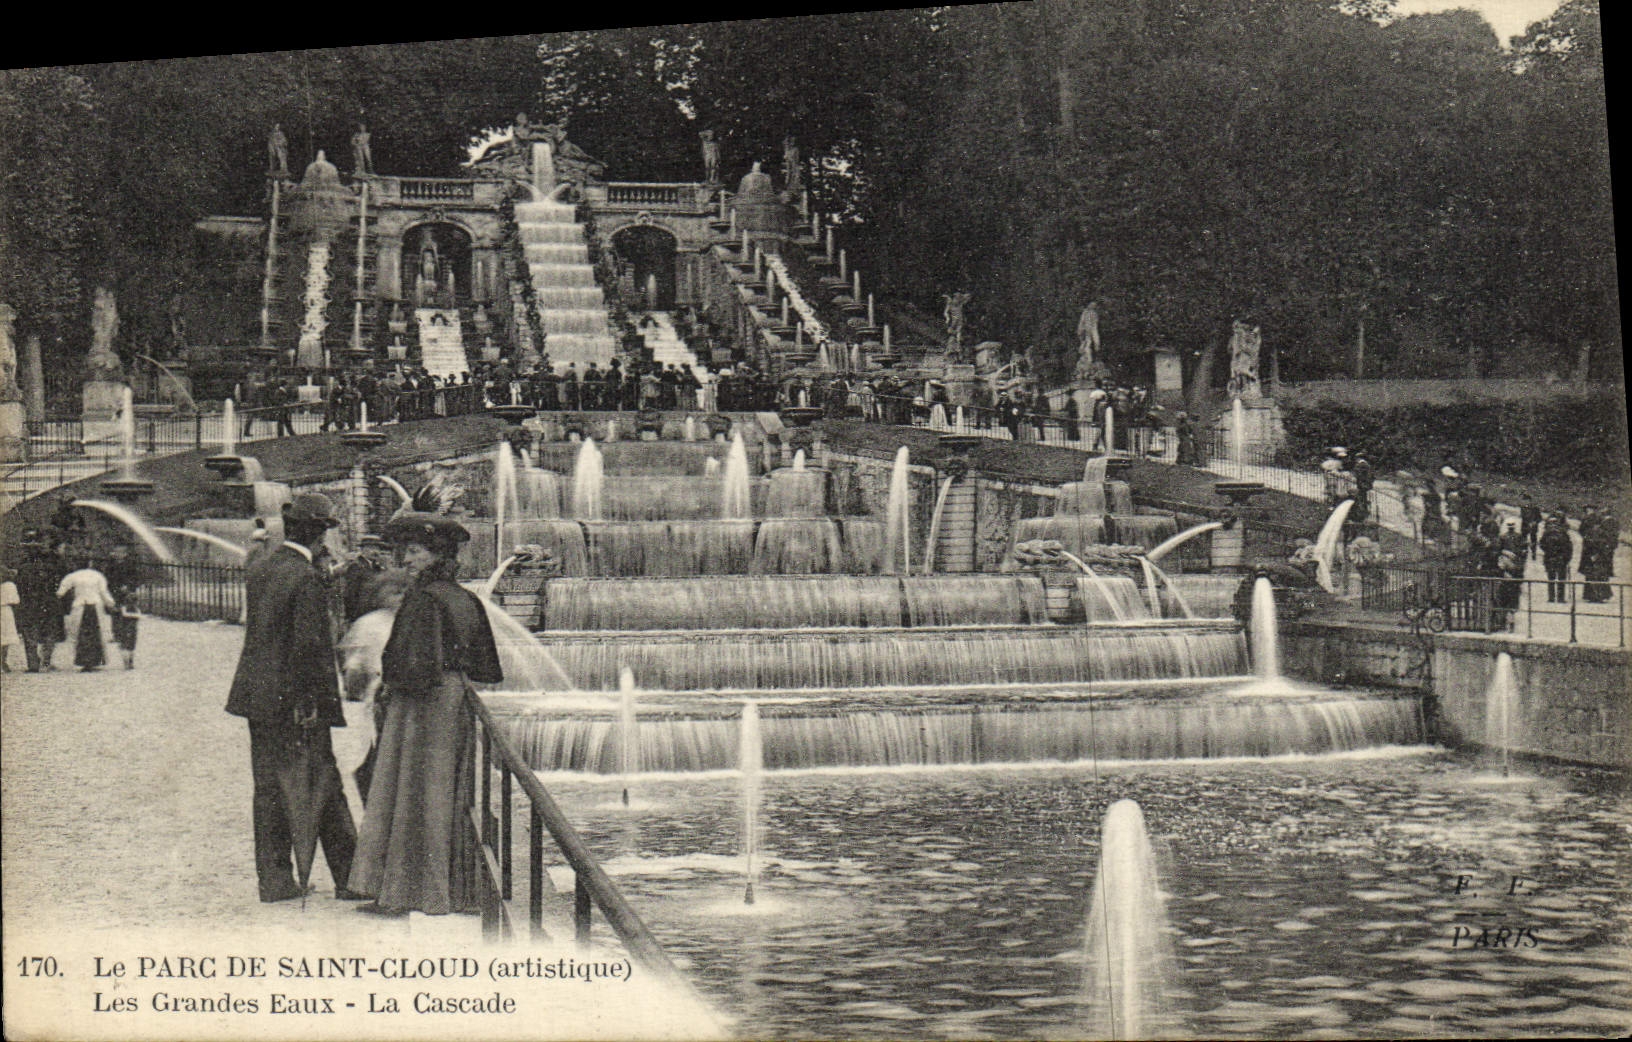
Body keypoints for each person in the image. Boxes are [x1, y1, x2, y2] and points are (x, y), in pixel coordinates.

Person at [348, 514, 503, 916]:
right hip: (453, 699)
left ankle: (403, 892)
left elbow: (407, 664)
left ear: (436, 555)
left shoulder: (424, 598)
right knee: (444, 793)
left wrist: (387, 688)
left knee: (411, 792)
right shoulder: (464, 598)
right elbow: (486, 665)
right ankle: (452, 889)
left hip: (420, 706)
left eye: (414, 552)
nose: (408, 561)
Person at [225, 493, 358, 904]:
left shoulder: (264, 567)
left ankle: (276, 881)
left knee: (268, 788)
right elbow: (309, 647)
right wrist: (311, 702)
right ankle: (353, 877)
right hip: (296, 700)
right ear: (320, 535)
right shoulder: (306, 577)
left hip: (257, 696)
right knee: (322, 781)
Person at [56, 559, 116, 671]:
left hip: (80, 605)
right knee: (96, 633)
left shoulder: (72, 576)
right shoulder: (97, 575)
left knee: (80, 633)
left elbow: (61, 591)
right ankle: (95, 661)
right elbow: (103, 591)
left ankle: (83, 661)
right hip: (95, 605)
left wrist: (59, 596)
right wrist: (110, 602)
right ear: (90, 564)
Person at [1540, 510, 1573, 604]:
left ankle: (1551, 597)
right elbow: (1569, 546)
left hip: (1550, 558)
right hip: (1561, 559)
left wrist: (1548, 552)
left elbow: (1542, 545)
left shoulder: (1546, 533)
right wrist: (1567, 558)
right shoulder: (1563, 533)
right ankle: (1560, 598)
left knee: (1551, 578)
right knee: (1561, 579)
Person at [0, 566, 19, 673]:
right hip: (5, 611)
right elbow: (15, 600)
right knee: (5, 638)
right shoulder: (10, 585)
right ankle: (3, 661)